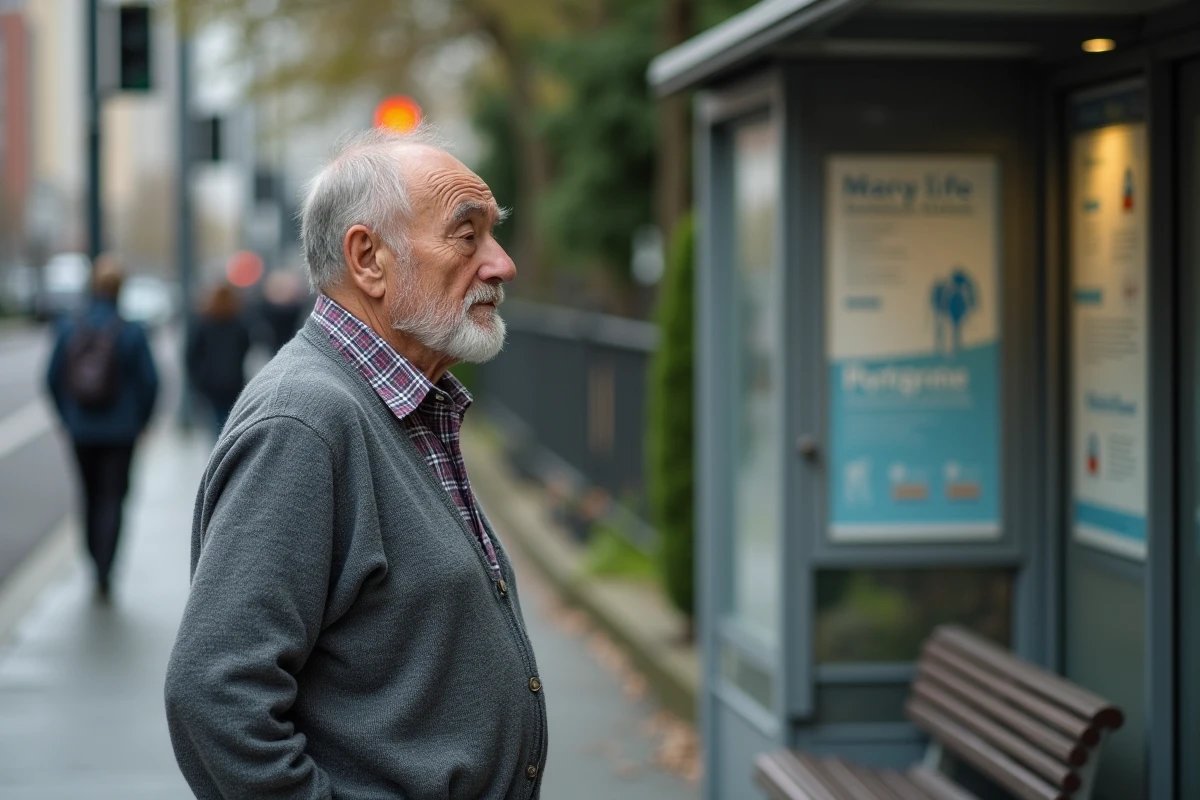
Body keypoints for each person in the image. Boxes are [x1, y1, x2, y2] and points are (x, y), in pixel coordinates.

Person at [165, 126, 546, 800]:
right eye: (468, 234)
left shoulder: (394, 403)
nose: (501, 264)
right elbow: (215, 697)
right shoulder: (305, 423)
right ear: (368, 258)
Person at [45, 255, 158, 600]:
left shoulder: (69, 327)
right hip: (121, 431)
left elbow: (51, 378)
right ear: (120, 290)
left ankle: (93, 562)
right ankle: (105, 570)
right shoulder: (132, 331)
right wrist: (140, 421)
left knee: (89, 496)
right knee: (113, 498)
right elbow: (150, 382)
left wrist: (67, 417)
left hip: (82, 430)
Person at [186, 283, 252, 436]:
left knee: (216, 420)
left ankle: (219, 449)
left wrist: (198, 378)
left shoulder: (204, 323)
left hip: (210, 382)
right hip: (233, 380)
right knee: (229, 419)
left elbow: (192, 354)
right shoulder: (239, 324)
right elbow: (245, 347)